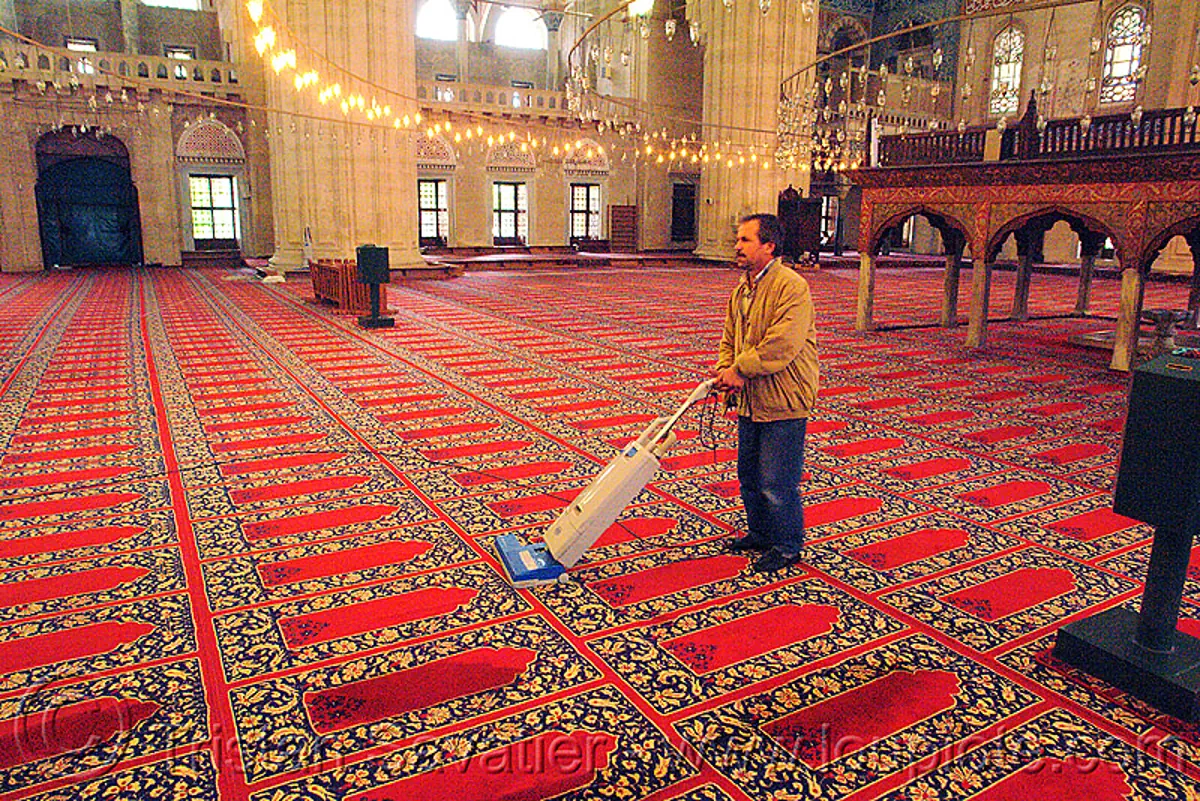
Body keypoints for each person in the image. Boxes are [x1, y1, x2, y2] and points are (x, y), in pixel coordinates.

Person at [714, 213, 819, 573]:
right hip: (750, 399)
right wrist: (725, 370)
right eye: (738, 239)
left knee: (777, 482)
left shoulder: (792, 287)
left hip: (783, 400)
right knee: (749, 477)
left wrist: (739, 370)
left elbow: (782, 343)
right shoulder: (742, 289)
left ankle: (787, 546)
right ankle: (760, 533)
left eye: (745, 240)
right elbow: (729, 338)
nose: (737, 246)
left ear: (769, 246)